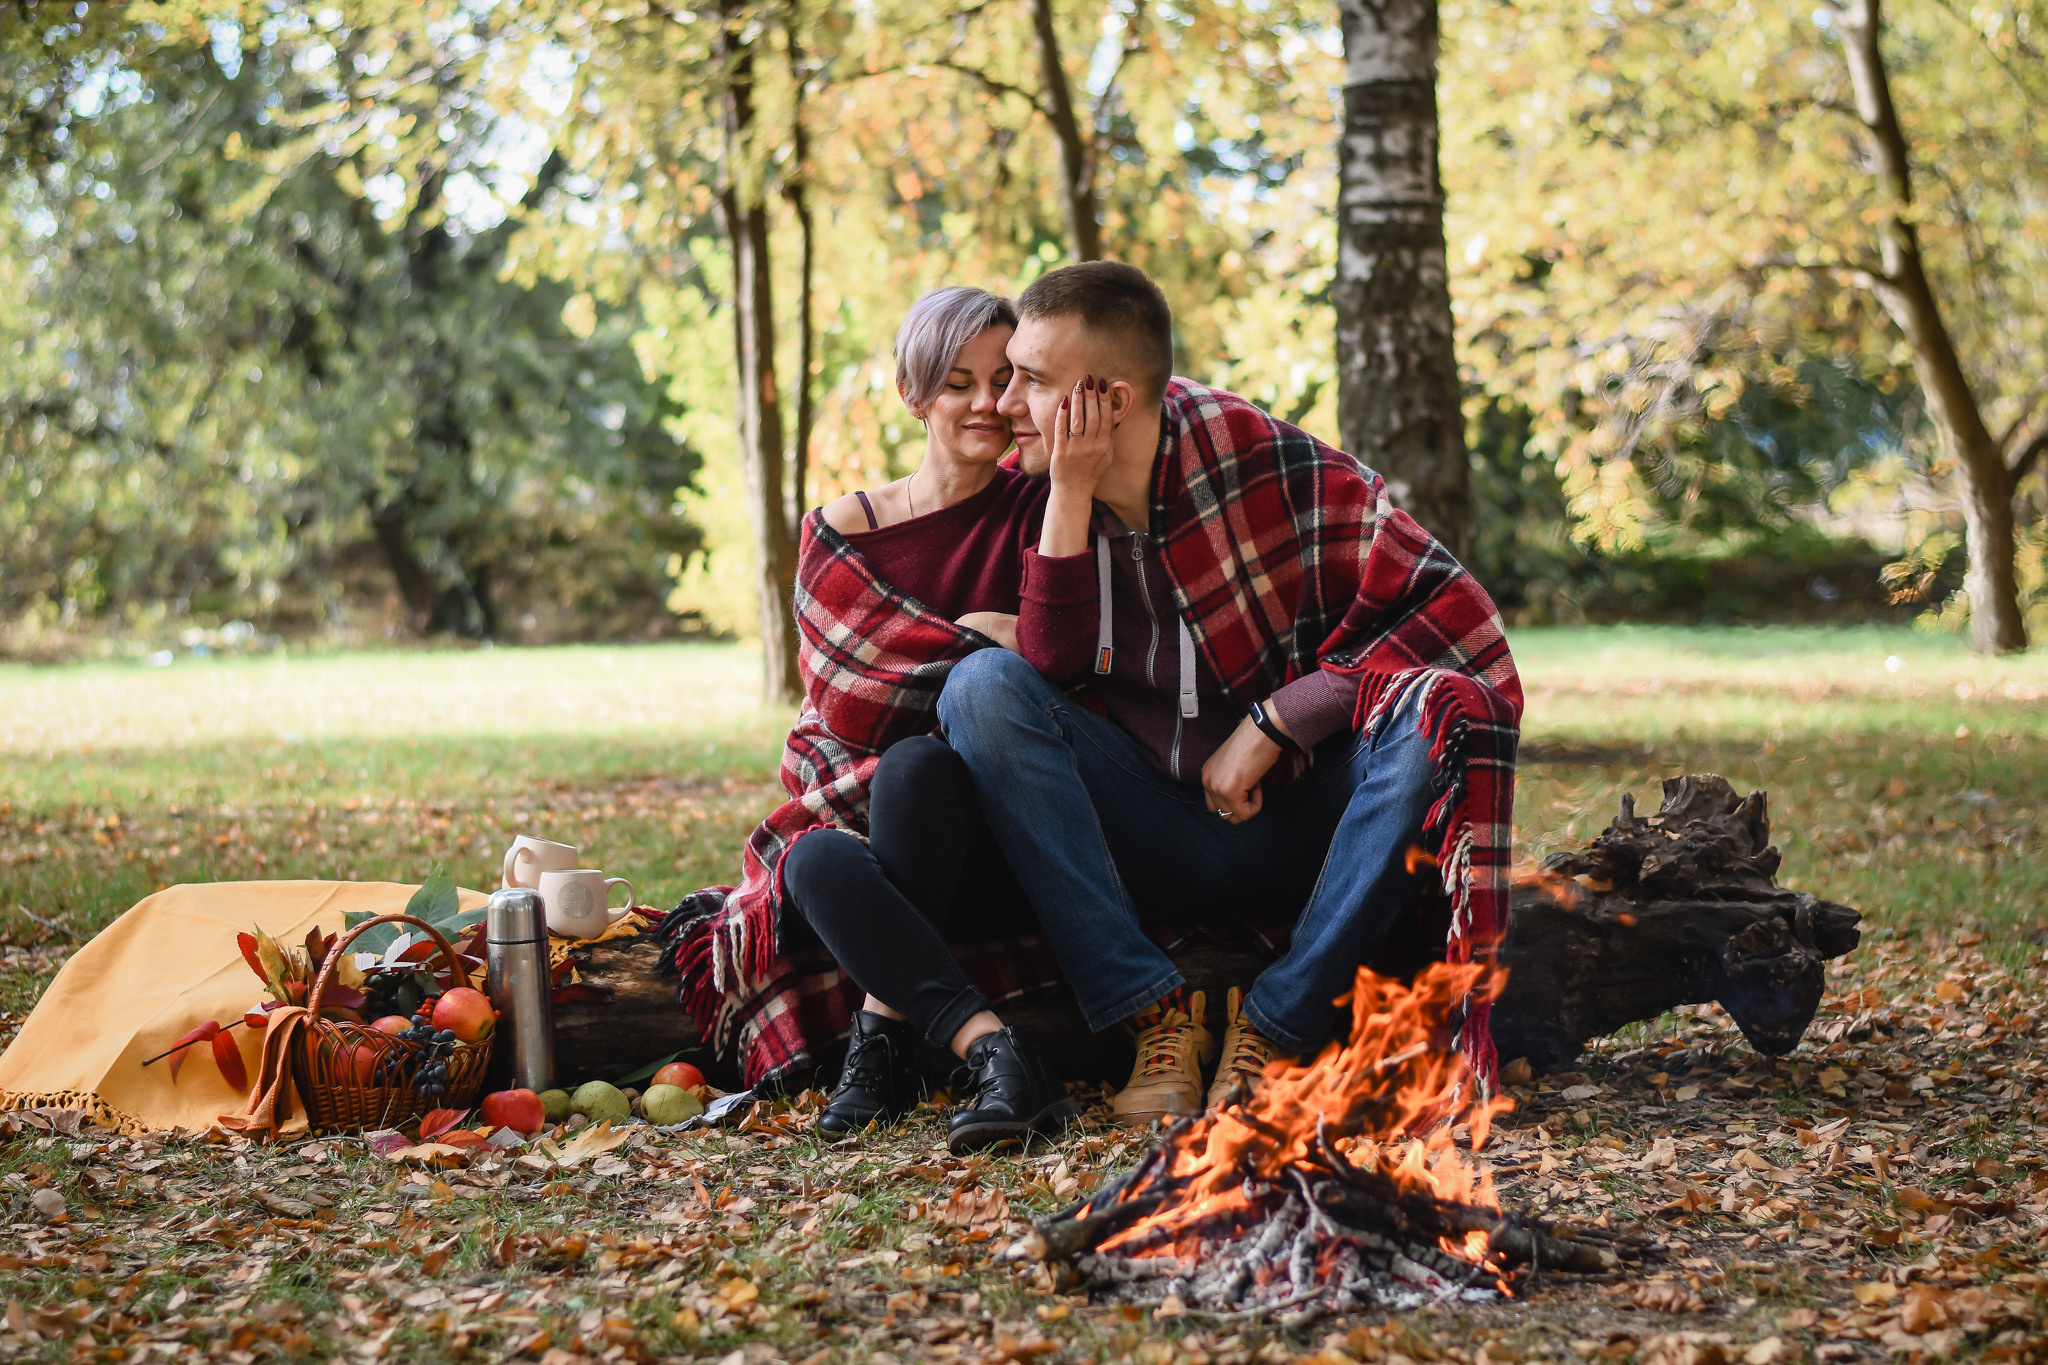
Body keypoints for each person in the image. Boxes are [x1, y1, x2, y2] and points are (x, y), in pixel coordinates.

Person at [939, 261, 1524, 1125]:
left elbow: (1460, 622)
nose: (1003, 404)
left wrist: (1281, 720)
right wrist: (1070, 488)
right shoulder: (1039, 483)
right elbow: (1053, 663)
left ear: (1113, 400)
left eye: (1031, 380)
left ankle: (1277, 1024)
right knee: (981, 686)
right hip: (1146, 827)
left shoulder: (1256, 459)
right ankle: (1152, 1018)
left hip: (1301, 821)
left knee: (1432, 720)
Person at [673, 285, 1075, 1153]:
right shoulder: (839, 532)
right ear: (912, 393)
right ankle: (995, 1051)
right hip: (870, 828)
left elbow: (1067, 656)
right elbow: (853, 700)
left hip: (999, 837)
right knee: (814, 855)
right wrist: (991, 638)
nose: (986, 402)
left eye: (1003, 379)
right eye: (958, 382)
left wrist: (1021, 647)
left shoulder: (1042, 508)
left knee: (920, 767)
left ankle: (880, 1043)